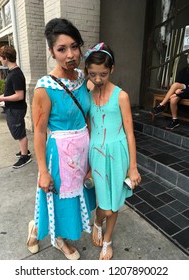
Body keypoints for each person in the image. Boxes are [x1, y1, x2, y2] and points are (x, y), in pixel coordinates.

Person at [26, 18, 96, 260]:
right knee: (56, 199)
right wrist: (43, 171)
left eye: (74, 46)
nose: (70, 54)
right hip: (60, 154)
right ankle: (50, 236)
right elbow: (39, 132)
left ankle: (48, 231)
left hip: (82, 151)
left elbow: (87, 116)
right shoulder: (44, 88)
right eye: (62, 49)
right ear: (51, 52)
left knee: (76, 197)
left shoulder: (81, 79)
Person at [84, 43, 141, 260]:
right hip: (96, 154)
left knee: (114, 203)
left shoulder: (122, 96)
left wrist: (133, 168)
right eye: (92, 74)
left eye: (103, 74)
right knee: (104, 203)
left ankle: (107, 240)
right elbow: (90, 127)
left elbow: (129, 134)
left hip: (118, 155)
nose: (98, 79)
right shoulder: (88, 94)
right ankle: (98, 220)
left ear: (112, 69)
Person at [0, 46, 31, 168]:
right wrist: (1, 96)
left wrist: (2, 99)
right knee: (18, 132)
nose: (0, 60)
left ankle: (25, 157)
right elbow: (12, 92)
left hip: (16, 109)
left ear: (6, 58)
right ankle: (24, 151)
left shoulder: (15, 74)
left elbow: (19, 96)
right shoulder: (12, 72)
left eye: (0, 57)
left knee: (20, 133)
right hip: (14, 108)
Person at [151, 53, 189, 130]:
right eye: (188, 58)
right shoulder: (183, 70)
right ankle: (175, 120)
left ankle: (161, 105)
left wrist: (181, 91)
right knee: (173, 99)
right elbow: (177, 83)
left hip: (187, 92)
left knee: (175, 87)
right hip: (182, 91)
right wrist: (177, 93)